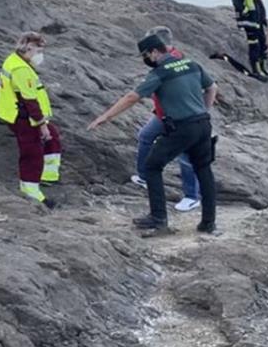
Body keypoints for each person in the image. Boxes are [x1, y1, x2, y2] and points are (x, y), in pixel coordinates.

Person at [88, 32, 218, 234]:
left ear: (155, 52)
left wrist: (106, 116)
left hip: (182, 127)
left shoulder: (160, 72)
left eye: (145, 56)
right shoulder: (192, 64)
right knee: (203, 169)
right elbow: (212, 88)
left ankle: (158, 218)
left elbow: (133, 97)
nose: (145, 60)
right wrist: (204, 110)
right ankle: (208, 223)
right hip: (203, 124)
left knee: (152, 166)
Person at [130, 26, 201, 212]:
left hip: (178, 115)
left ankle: (192, 196)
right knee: (145, 135)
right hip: (162, 113)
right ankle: (144, 175)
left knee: (185, 154)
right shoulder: (169, 60)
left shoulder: (175, 61)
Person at [0, 32, 62, 207]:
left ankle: (48, 176)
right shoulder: (21, 70)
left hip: (20, 114)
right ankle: (31, 192)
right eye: (39, 50)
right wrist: (42, 125)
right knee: (32, 154)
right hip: (23, 118)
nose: (41, 55)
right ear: (29, 47)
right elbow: (30, 101)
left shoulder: (15, 60)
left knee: (52, 138)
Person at [231, 0, 268, 79]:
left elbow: (258, 5)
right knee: (254, 46)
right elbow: (236, 1)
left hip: (257, 23)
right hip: (250, 23)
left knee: (263, 45)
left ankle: (263, 69)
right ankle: (256, 71)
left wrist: (263, 18)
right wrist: (246, 12)